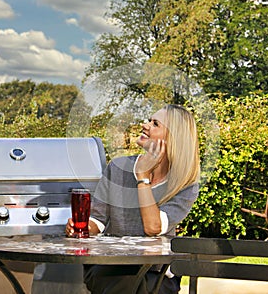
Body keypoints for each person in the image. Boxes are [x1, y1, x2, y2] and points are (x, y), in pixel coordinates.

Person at [66, 104, 200, 294]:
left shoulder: (185, 183)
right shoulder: (118, 167)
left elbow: (153, 228)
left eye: (155, 124)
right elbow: (98, 221)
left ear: (173, 138)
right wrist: (81, 227)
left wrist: (142, 178)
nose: (145, 125)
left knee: (138, 286)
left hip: (156, 272)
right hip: (111, 266)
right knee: (127, 282)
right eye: (148, 120)